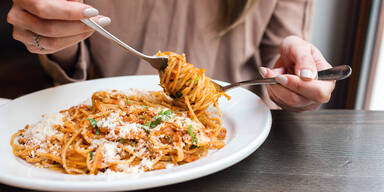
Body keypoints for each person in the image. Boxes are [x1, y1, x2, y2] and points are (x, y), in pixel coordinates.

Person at [6, 0, 335, 111]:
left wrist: (296, 82)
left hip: (231, 132)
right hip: (104, 120)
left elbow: (282, 55)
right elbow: (68, 58)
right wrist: (51, 35)